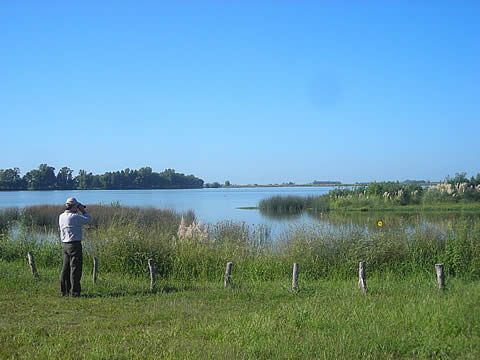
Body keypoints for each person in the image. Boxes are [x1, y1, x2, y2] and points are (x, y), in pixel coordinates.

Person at [59, 197, 91, 297]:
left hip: (65, 245)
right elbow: (88, 219)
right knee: (75, 269)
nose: (77, 209)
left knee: (66, 269)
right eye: (76, 207)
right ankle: (75, 292)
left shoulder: (61, 216)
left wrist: (78, 207)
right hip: (75, 245)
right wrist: (83, 210)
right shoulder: (74, 217)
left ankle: (64, 291)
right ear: (73, 207)